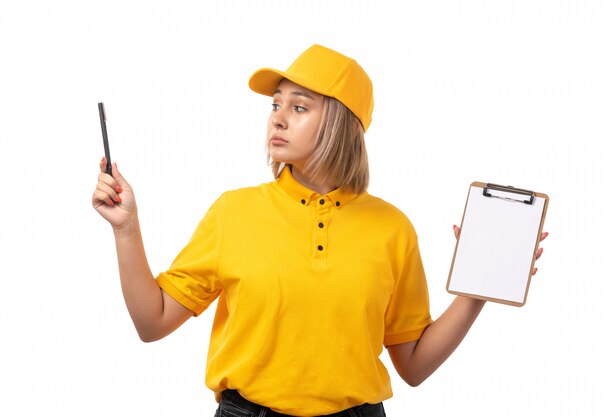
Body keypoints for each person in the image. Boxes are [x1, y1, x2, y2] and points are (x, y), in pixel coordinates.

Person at [92, 44, 547, 417]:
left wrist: (475, 290)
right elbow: (152, 324)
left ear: (342, 124)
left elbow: (413, 366)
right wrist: (127, 229)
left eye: (299, 106)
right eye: (276, 104)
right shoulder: (234, 211)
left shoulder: (392, 228)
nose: (277, 117)